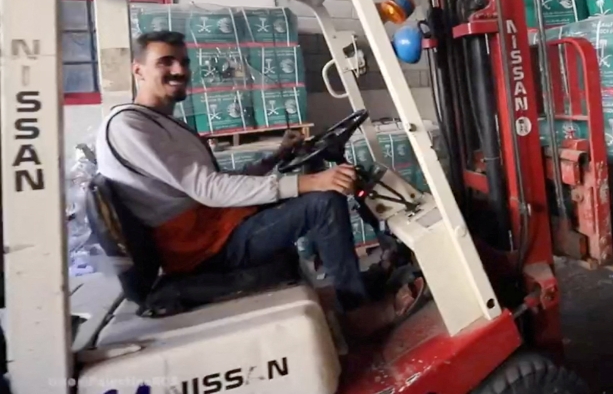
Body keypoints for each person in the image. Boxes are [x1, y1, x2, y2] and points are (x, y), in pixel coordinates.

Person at [95, 31, 423, 338]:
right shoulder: (129, 127)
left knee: (317, 189)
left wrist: (277, 158)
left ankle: (356, 283)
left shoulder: (158, 122)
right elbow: (208, 189)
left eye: (183, 61)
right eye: (165, 62)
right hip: (204, 250)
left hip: (214, 228)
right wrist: (307, 182)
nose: (179, 69)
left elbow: (217, 184)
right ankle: (357, 313)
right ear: (138, 70)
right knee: (323, 202)